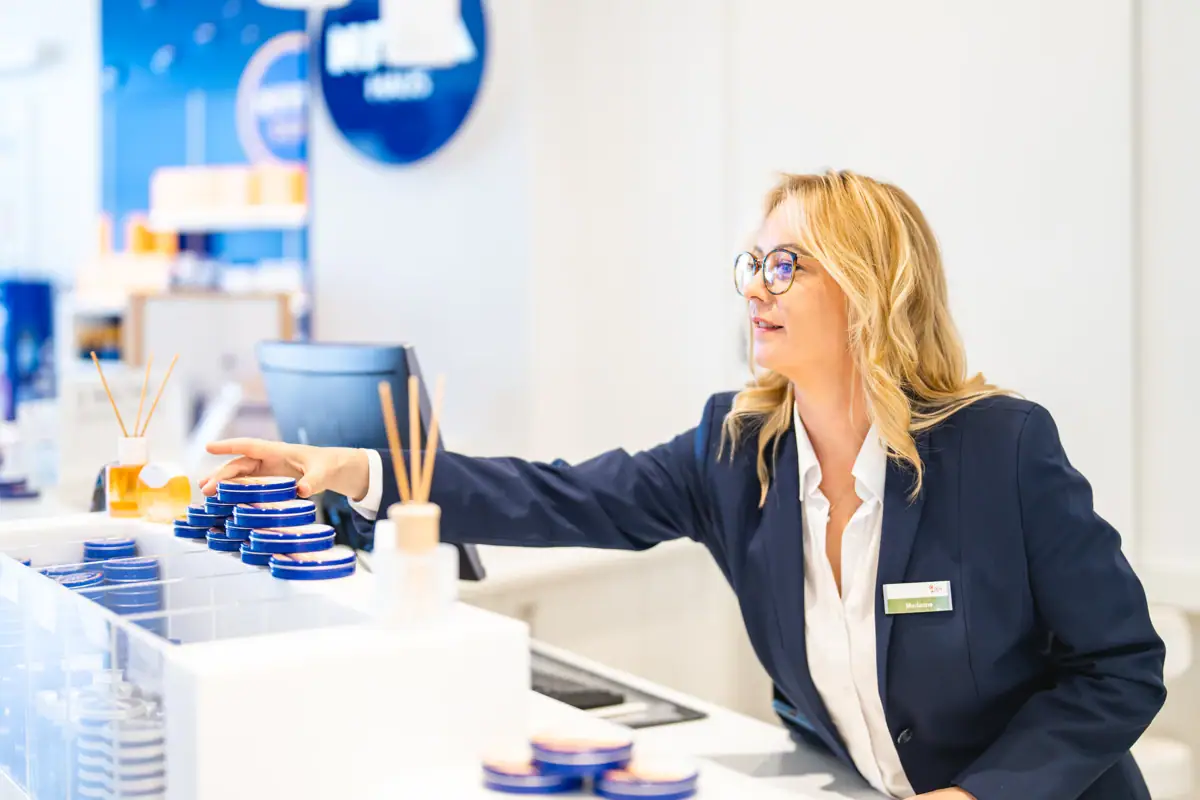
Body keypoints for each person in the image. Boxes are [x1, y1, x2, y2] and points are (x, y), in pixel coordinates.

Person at [201, 170, 1166, 800]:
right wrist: (365, 471)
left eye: (785, 265)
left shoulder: (1000, 449)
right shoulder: (734, 448)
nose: (754, 287)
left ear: (871, 289)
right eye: (752, 263)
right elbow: (565, 496)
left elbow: (1119, 666)